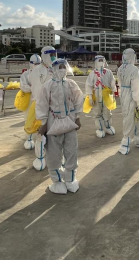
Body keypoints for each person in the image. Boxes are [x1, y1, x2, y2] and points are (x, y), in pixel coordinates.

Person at [36, 59, 85, 195]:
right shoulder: (47, 86)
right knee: (53, 152)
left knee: (71, 150)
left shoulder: (71, 84)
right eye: (60, 67)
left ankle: (70, 179)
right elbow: (42, 105)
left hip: (70, 120)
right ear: (54, 69)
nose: (63, 69)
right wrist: (43, 124)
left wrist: (77, 118)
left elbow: (78, 100)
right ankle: (57, 181)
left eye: (64, 66)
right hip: (53, 122)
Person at [28, 46, 56, 171]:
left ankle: (55, 156)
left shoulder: (55, 68)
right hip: (41, 106)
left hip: (55, 106)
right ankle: (39, 157)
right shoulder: (37, 70)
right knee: (41, 133)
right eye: (51, 55)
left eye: (54, 54)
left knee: (55, 132)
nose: (53, 57)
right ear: (45, 55)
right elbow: (37, 90)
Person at [118, 48, 139, 155]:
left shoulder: (120, 68)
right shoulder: (134, 69)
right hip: (131, 95)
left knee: (135, 117)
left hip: (124, 93)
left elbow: (119, 83)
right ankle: (125, 141)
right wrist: (138, 100)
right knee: (130, 118)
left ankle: (138, 138)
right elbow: (135, 86)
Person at [85, 55, 117, 139]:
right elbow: (88, 85)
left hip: (107, 95)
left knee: (107, 111)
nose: (101, 62)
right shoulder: (92, 73)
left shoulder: (108, 72)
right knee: (97, 113)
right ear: (95, 62)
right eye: (99, 60)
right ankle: (99, 129)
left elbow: (112, 82)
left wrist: (113, 93)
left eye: (102, 60)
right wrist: (90, 97)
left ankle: (108, 126)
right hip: (96, 95)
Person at [19, 54, 42, 150]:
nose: (37, 66)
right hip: (30, 101)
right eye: (35, 64)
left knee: (42, 120)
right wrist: (34, 88)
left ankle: (41, 139)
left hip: (41, 101)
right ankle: (29, 139)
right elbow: (23, 86)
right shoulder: (26, 74)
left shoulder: (43, 73)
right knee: (29, 120)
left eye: (38, 63)